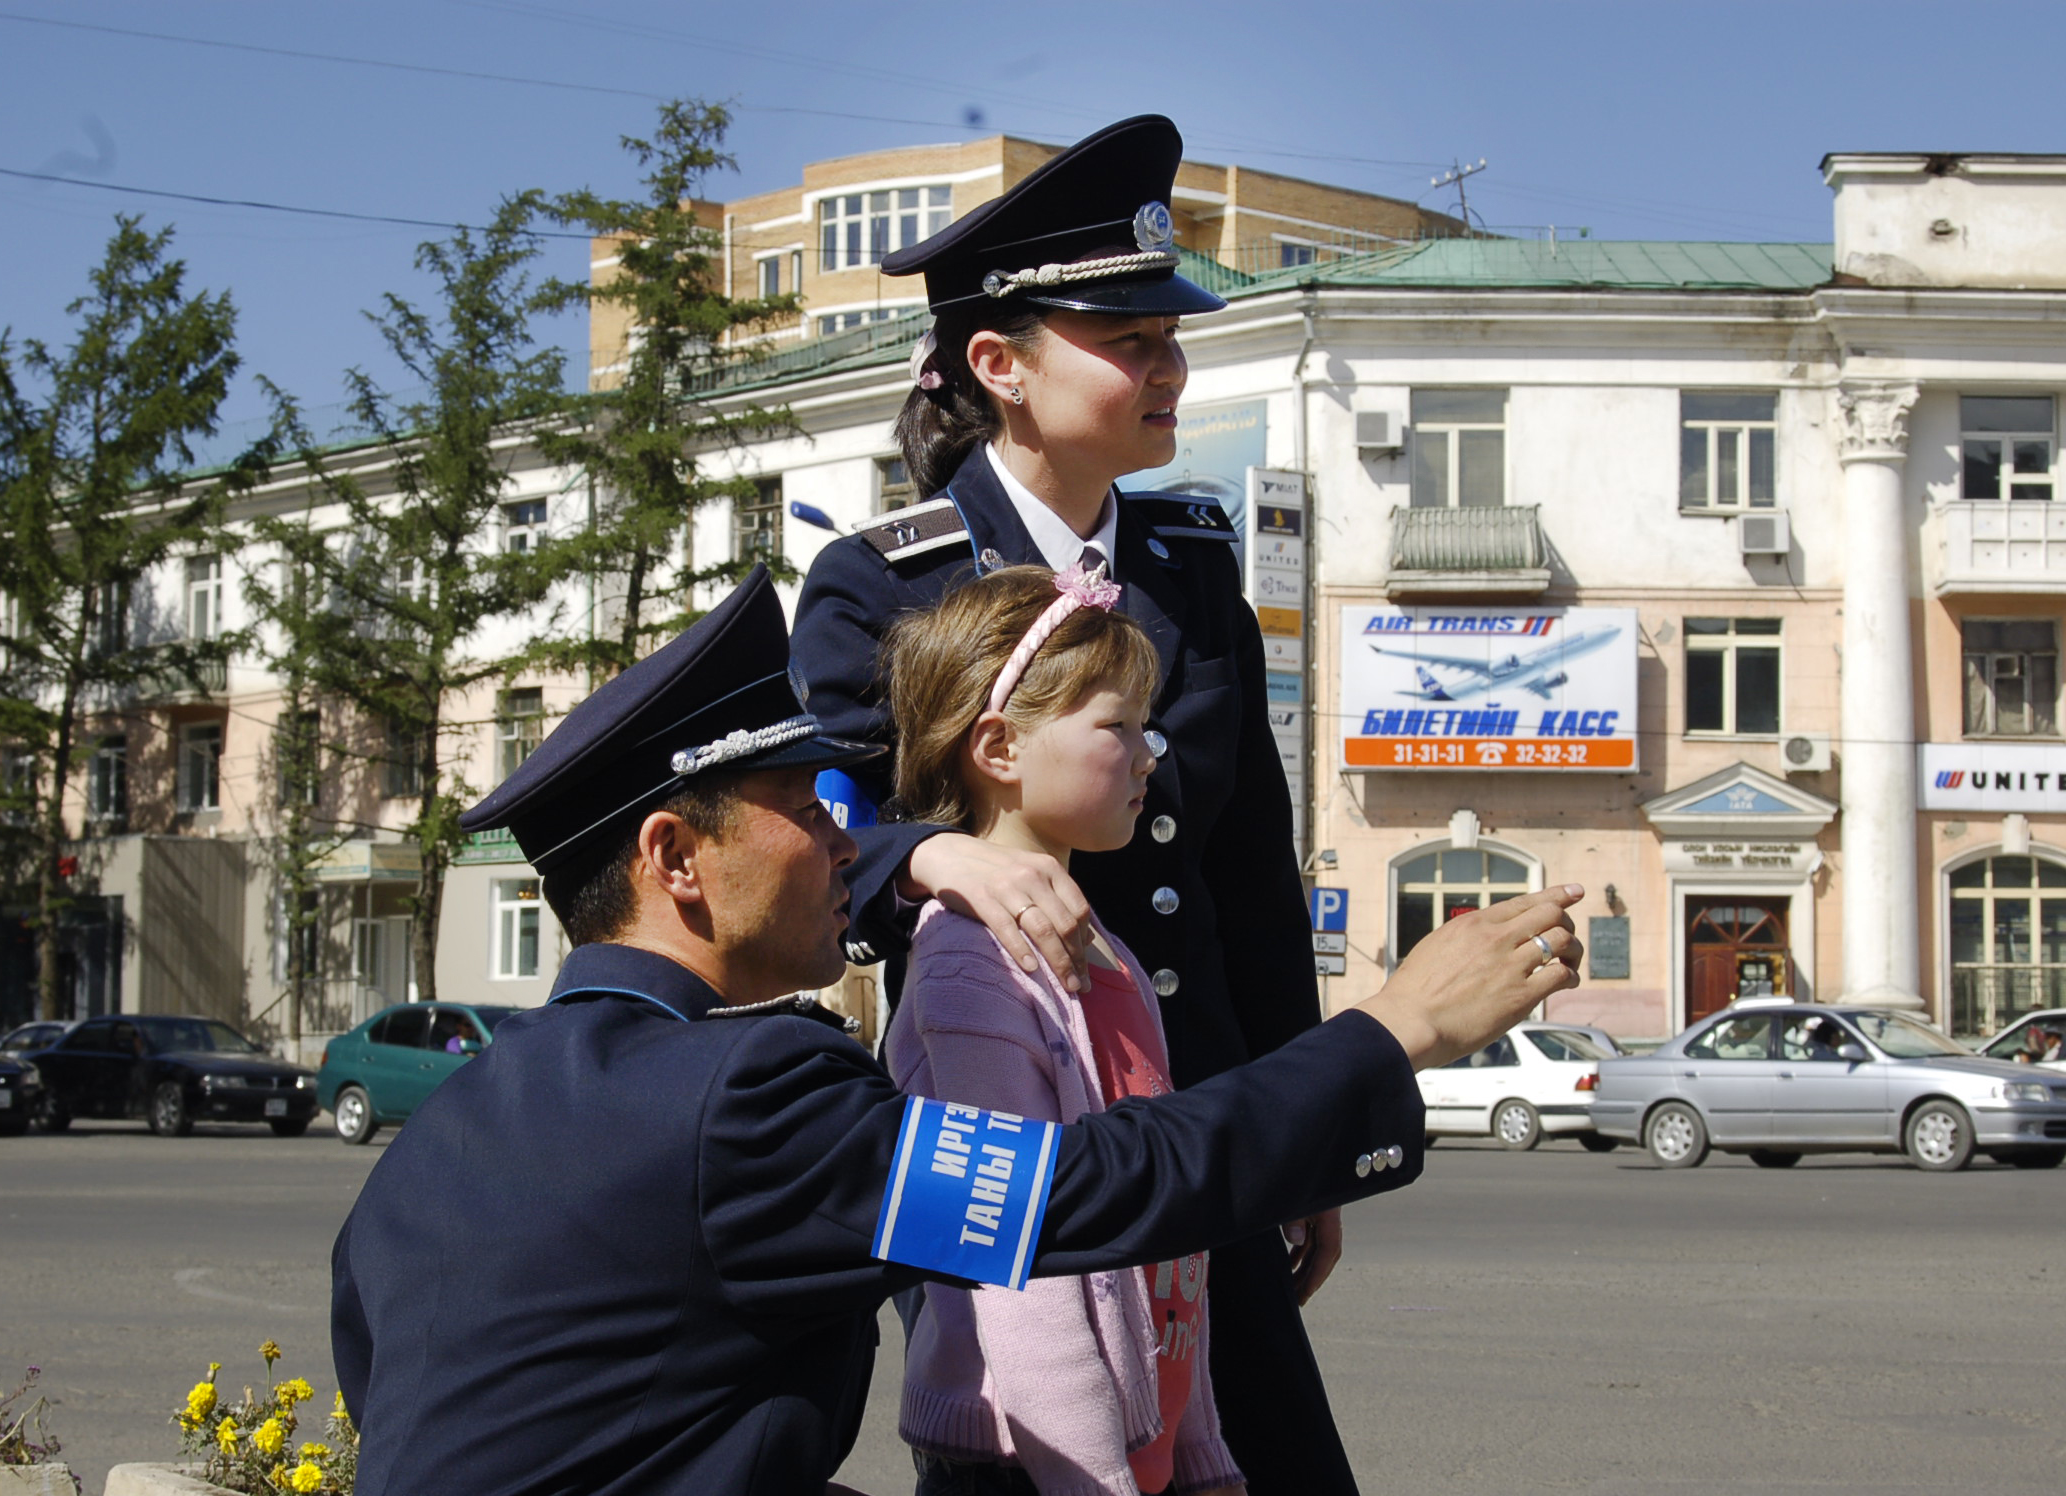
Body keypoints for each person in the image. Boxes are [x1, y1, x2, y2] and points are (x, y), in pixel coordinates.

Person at [330, 566, 1584, 1496]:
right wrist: (1394, 1026)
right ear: (676, 857)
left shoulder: (436, 1139)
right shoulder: (752, 1099)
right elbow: (1070, 1197)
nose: (847, 837)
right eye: (803, 805)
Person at [791, 114, 1357, 1494]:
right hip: (987, 1116)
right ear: (1000, 365)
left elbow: (1244, 885)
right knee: (1017, 1454)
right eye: (1132, 340)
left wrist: (1302, 1138)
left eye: (1175, 336)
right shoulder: (886, 581)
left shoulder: (1191, 567)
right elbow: (814, 838)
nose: (1173, 366)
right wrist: (932, 863)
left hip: (1198, 1113)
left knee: (1262, 1464)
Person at [882, 563, 1240, 1496]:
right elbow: (1004, 1258)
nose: (1150, 753)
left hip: (1125, 1452)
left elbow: (1168, 1242)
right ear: (999, 747)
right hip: (1022, 1459)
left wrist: (1198, 1455)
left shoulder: (1104, 948)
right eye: (1116, 726)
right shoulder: (966, 961)